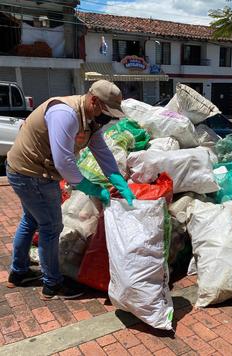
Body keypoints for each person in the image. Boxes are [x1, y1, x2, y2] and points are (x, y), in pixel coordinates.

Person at [6, 79, 135, 299]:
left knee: (31, 220)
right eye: (106, 110)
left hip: (29, 171)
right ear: (93, 100)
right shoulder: (64, 114)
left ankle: (18, 273)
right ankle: (52, 284)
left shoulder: (91, 119)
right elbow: (64, 162)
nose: (108, 117)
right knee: (51, 226)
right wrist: (90, 188)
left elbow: (102, 152)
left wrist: (119, 181)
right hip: (32, 174)